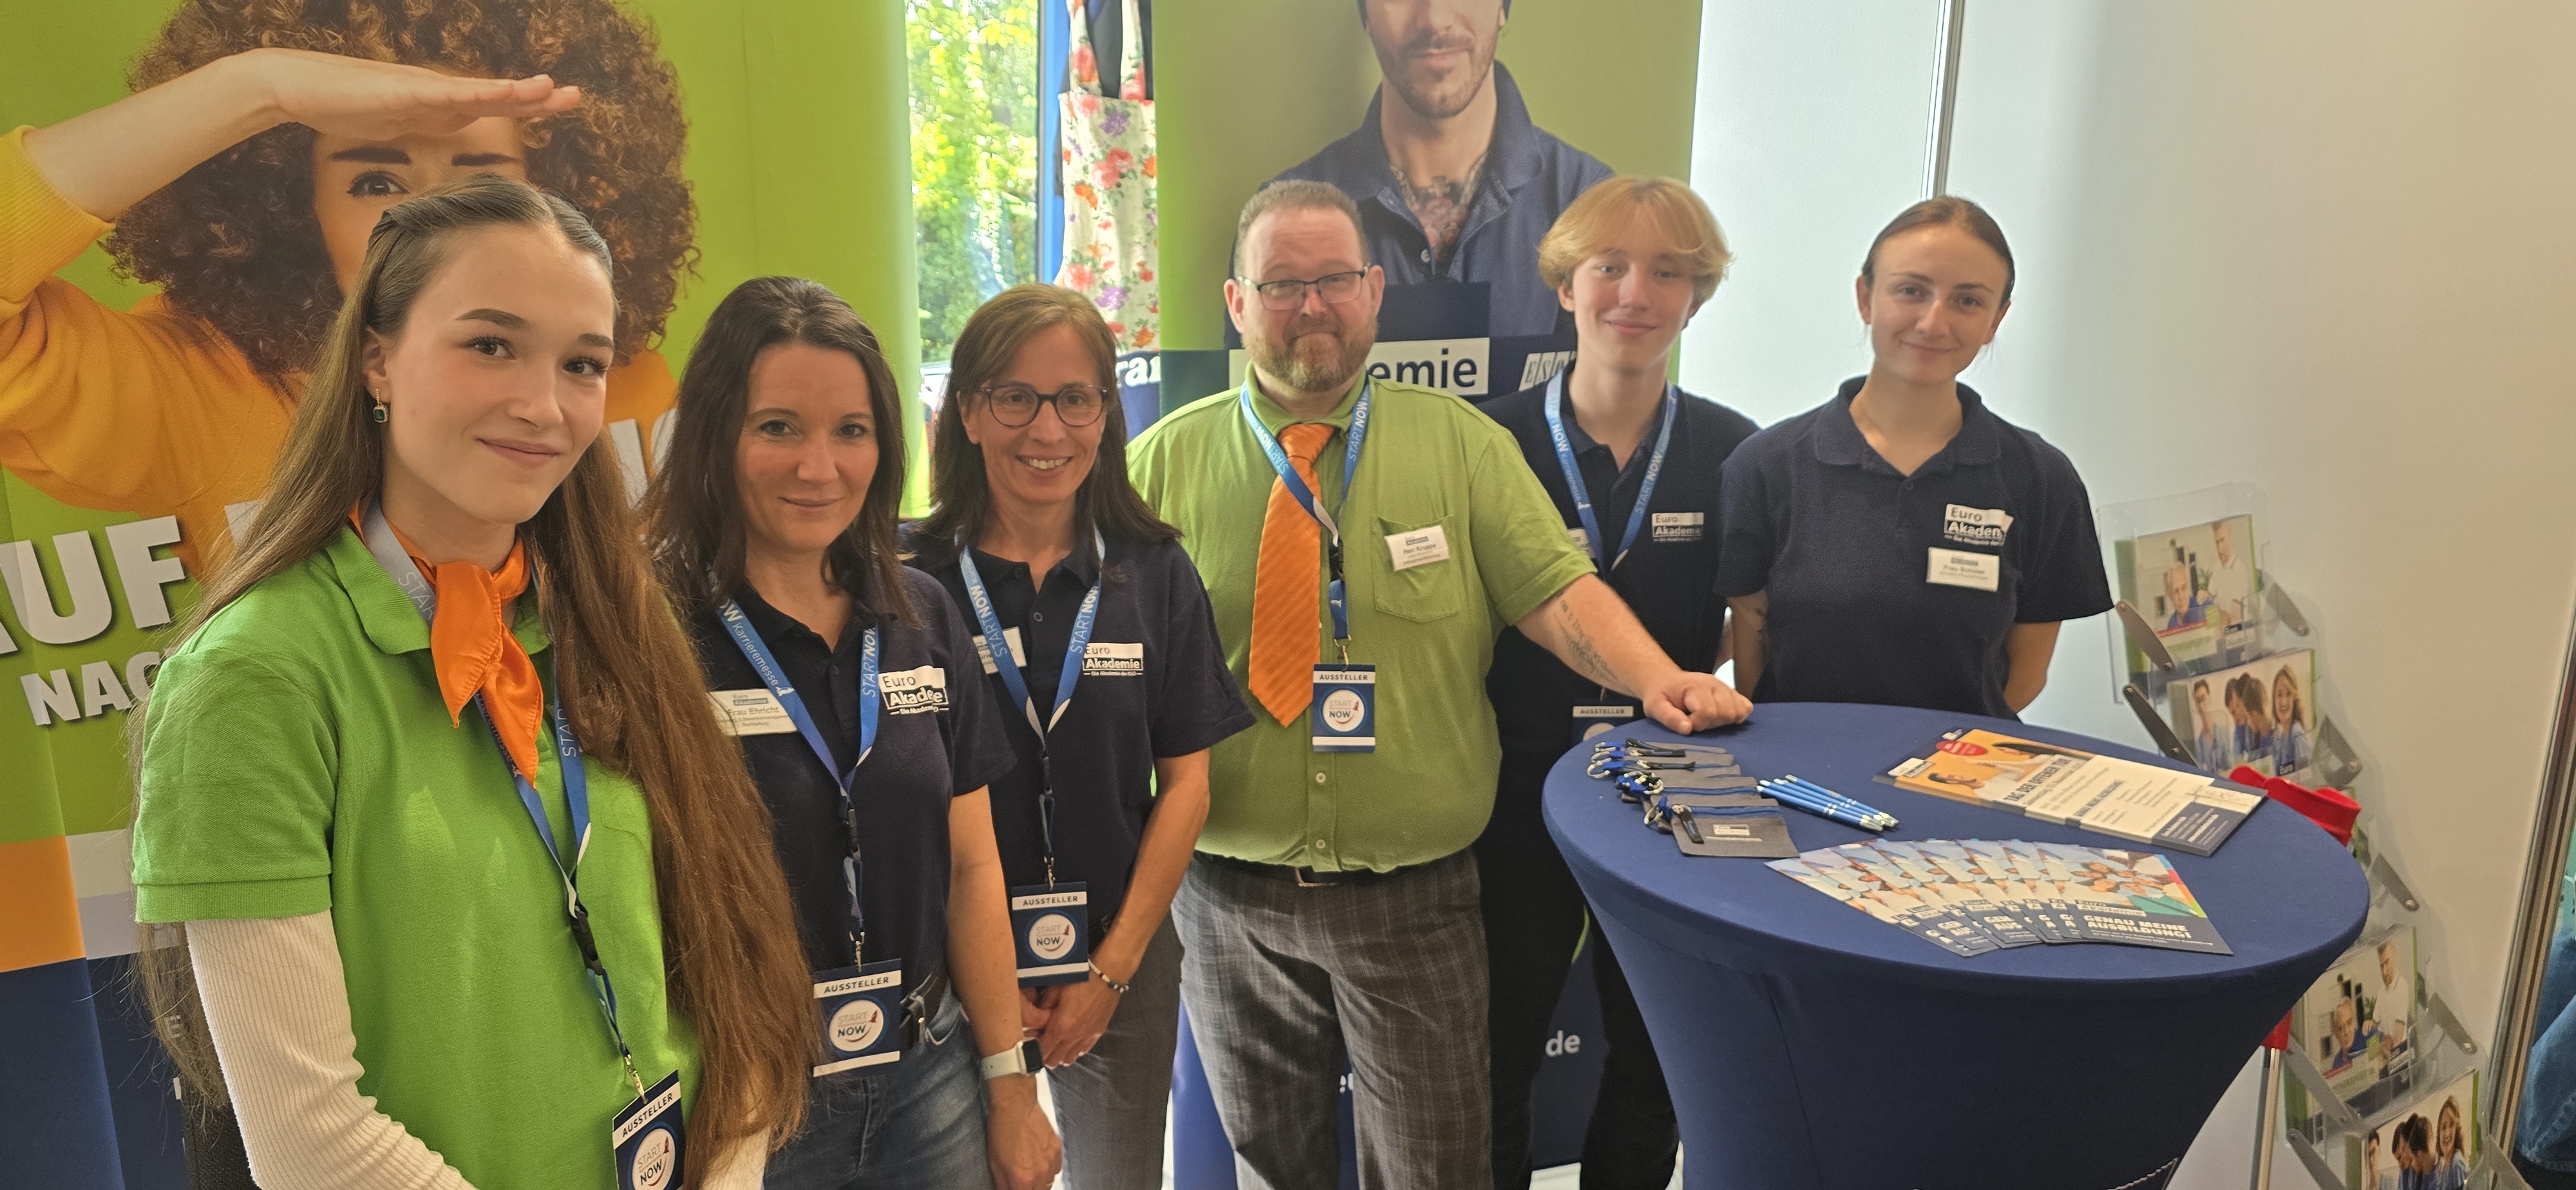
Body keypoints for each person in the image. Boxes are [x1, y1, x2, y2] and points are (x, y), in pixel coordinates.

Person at [127, 176, 808, 1190]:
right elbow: (311, 1140)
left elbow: (727, 957)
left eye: (583, 363)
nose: (544, 406)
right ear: (377, 360)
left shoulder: (614, 616)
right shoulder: (253, 679)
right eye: (491, 344)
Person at [1128, 179, 1750, 1189]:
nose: (1312, 306)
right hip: (1227, 895)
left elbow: (1556, 592)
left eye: (1334, 279)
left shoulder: (1464, 445)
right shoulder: (1158, 466)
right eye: (1282, 284)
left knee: (1437, 1169)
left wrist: (1660, 680)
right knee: (1275, 1165)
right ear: (1237, 305)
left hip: (1414, 900)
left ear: (1375, 293)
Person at [8, 1, 696, 567]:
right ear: (294, 211)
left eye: (484, 181)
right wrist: (256, 90)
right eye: (376, 183)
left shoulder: (617, 390)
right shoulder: (198, 389)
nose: (439, 227)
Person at [642, 277, 1060, 1189]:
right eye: (778, 427)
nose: (818, 466)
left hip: (930, 1076)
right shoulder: (654, 633)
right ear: (716, 436)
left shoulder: (923, 613)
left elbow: (975, 869)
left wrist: (1011, 1086)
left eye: (851, 431)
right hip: (753, 1099)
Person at [907, 283, 1253, 1189]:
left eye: (1075, 399)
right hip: (946, 968)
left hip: (1118, 949)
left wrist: (1110, 969)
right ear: (968, 414)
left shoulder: (1153, 571)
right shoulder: (909, 581)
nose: (1046, 429)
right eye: (1014, 397)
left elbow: (1187, 788)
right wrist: (980, 980)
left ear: (1108, 413)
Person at [1472, 177, 1758, 1190]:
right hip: (1514, 792)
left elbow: (1751, 629)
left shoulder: (1737, 452)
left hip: (1674, 798)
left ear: (1695, 296)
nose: (1635, 293)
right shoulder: (1489, 441)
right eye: (1610, 267)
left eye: (1668, 272)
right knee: (1496, 1050)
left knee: (1656, 1055)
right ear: (1566, 286)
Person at [1719, 197, 2113, 719]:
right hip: (1799, 777)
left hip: (1960, 780)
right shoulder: (1765, 467)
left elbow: (2025, 675)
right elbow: (1753, 652)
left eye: (1968, 301)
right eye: (1911, 291)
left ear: (1997, 319)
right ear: (1865, 297)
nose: (1932, 323)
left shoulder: (2040, 479)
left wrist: (1934, 761)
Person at [1271, 0, 1611, 342]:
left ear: (1503, 7)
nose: (1435, 21)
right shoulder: (1279, 222)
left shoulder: (1590, 206)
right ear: (1365, 13)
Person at [2209, 518, 2255, 628]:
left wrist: (2219, 616)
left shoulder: (2239, 570)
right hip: (2223, 634)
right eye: (2217, 542)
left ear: (2229, 537)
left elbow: (2235, 620)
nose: (2220, 549)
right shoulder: (2217, 569)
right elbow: (2209, 605)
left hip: (2240, 634)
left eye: (2222, 540)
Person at [2272, 665, 2313, 775]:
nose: (2284, 701)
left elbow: (2307, 780)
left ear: (2294, 699)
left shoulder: (2297, 735)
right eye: (2279, 695)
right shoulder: (2281, 738)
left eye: (2288, 694)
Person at [2190, 678, 2230, 770]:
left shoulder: (2224, 733)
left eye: (2203, 698)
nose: (2201, 704)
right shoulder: (2198, 744)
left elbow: (2230, 764)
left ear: (2210, 699)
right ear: (2195, 705)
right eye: (2198, 700)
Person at [2434, 1096, 2471, 1190]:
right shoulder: (2446, 1167)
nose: (2447, 1133)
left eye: (2452, 1125)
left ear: (2457, 1130)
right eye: (2444, 1127)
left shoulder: (2457, 1165)